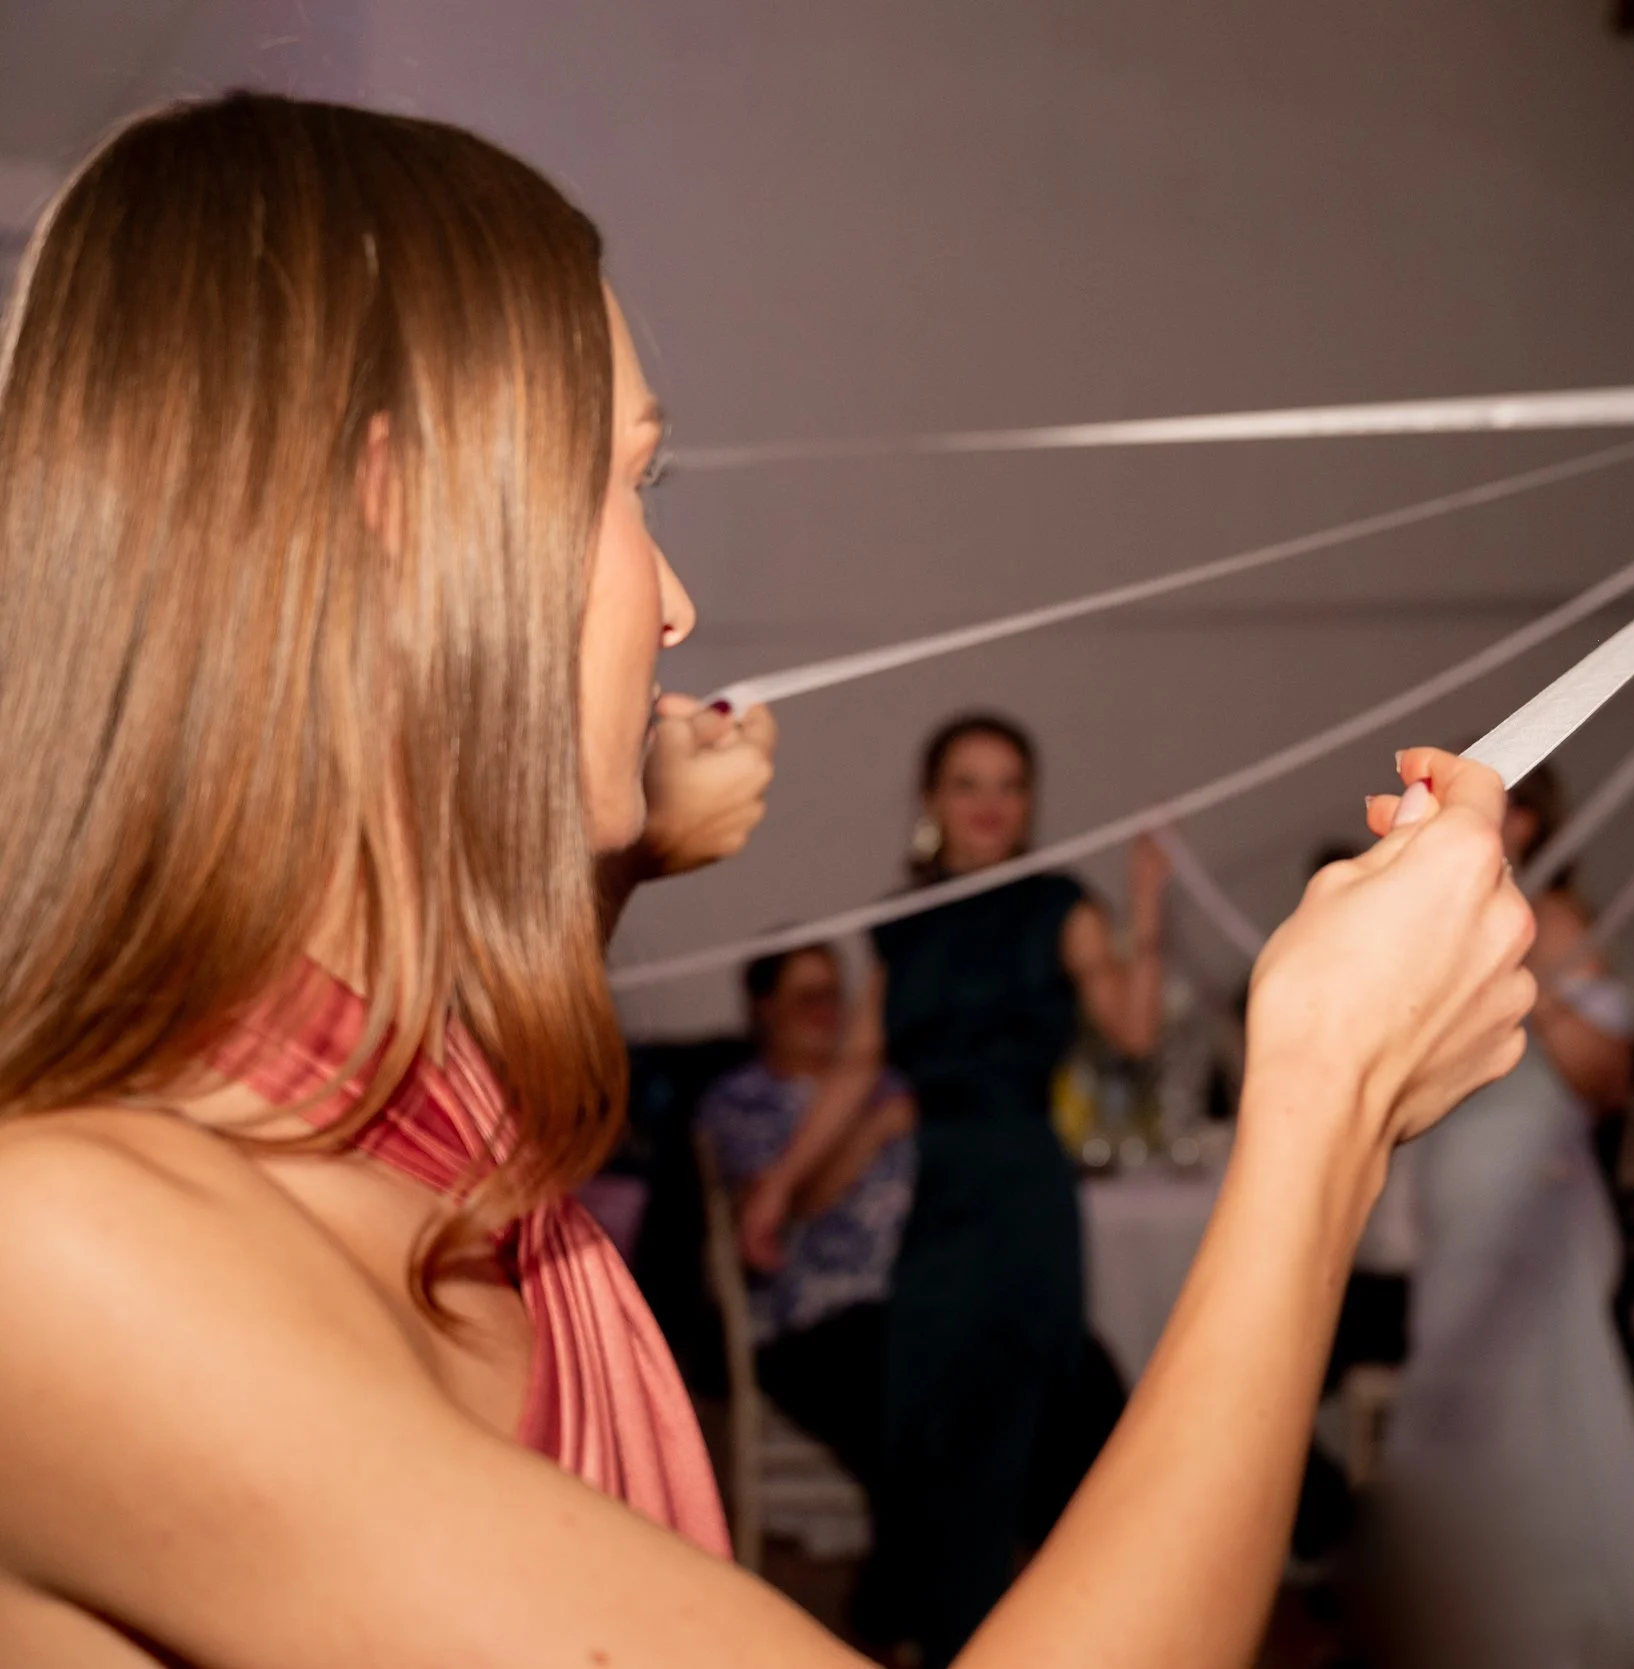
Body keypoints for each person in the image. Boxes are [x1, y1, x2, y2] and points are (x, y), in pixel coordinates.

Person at [0, 92, 1537, 1669]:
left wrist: (606, 864)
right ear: (392, 513)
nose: (671, 601)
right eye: (624, 486)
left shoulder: (385, 1097)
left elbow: (457, 1069)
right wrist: (1328, 1102)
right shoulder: (67, 1255)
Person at [734, 714, 1174, 1665]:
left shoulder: (1063, 905)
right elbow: (857, 1067)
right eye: (968, 783)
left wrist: (1146, 907)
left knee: (1011, 1420)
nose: (988, 804)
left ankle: (981, 1639)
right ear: (932, 801)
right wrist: (778, 1183)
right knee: (923, 1413)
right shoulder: (904, 923)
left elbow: (1134, 1034)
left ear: (1029, 802)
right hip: (941, 1200)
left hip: (1022, 1193)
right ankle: (943, 1630)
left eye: (1008, 785)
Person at [1381, 764, 1634, 1669]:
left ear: (1528, 824)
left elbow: (1609, 1080)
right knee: (1455, 1394)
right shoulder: (1418, 923)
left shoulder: (1561, 923)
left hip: (1533, 1196)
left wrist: (1535, 967)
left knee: (1532, 1409)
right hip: (1450, 1186)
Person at [699, 947, 915, 1514]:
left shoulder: (891, 1083)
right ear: (765, 1008)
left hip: (915, 1300)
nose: (826, 1011)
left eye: (833, 995)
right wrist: (870, 1132)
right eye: (807, 997)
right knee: (914, 1408)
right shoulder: (742, 1101)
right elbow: (783, 1211)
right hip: (815, 1321)